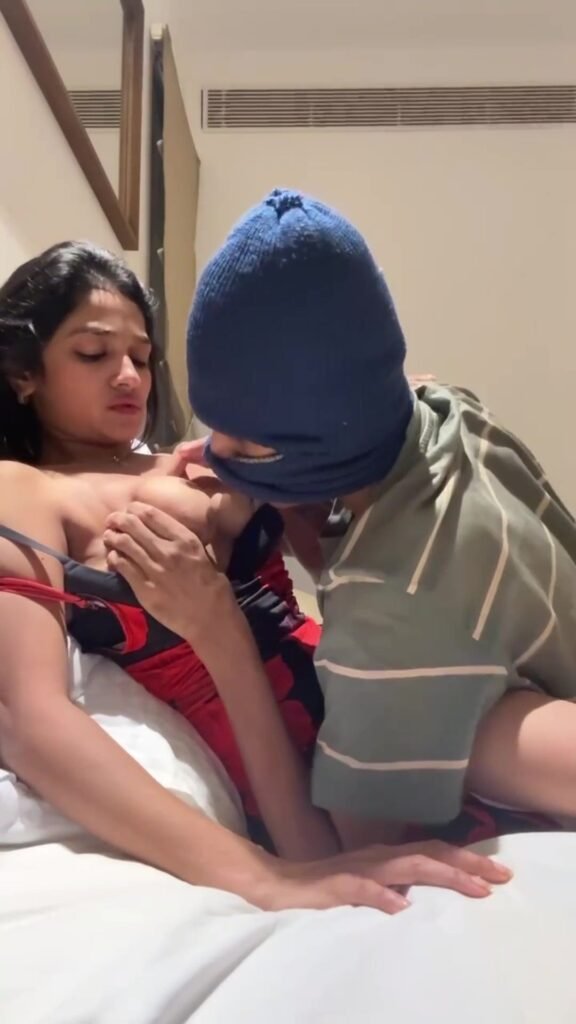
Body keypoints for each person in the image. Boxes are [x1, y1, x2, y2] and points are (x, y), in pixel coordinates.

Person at [0, 240, 508, 913]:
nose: (128, 376)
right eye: (93, 354)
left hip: (373, 694)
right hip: (287, 778)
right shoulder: (24, 489)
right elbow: (29, 719)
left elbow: (352, 570)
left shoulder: (197, 455)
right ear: (23, 375)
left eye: (142, 357)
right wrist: (261, 877)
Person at [135, 187, 576, 849]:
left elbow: (340, 854)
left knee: (484, 739)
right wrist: (266, 475)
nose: (212, 460)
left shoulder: (386, 605)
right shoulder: (450, 411)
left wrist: (217, 631)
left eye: (244, 443)